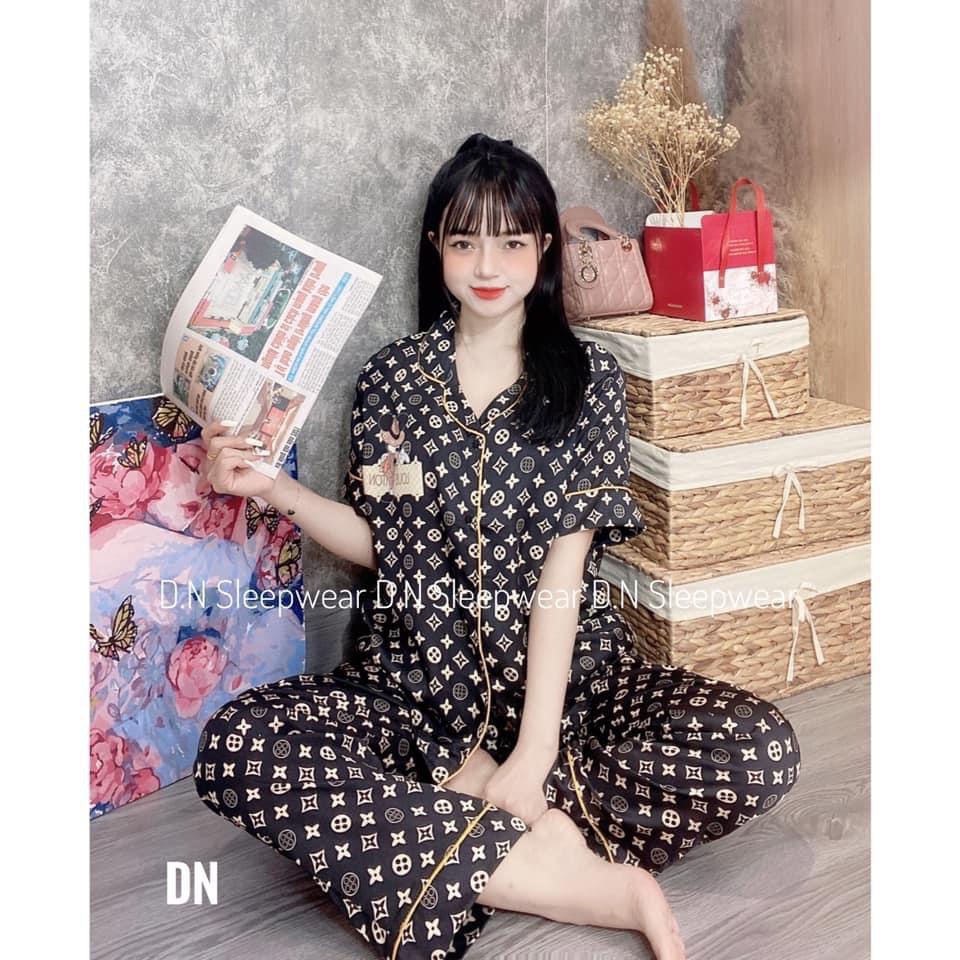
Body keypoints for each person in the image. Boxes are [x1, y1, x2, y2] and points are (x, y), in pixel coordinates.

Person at [194, 133, 801, 960]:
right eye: (464, 241)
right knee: (241, 744)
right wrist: (271, 488)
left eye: (512, 242)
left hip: (567, 694)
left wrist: (534, 753)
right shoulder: (392, 380)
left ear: (544, 246)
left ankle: (464, 820)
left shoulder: (587, 382)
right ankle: (556, 865)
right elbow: (386, 544)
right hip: (411, 691)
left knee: (758, 746)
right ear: (435, 246)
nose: (487, 265)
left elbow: (564, 574)